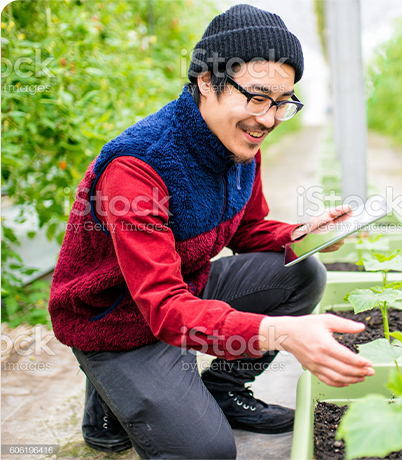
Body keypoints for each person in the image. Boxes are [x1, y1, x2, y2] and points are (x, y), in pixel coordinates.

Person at [47, 4, 374, 458]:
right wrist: (279, 333)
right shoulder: (138, 168)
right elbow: (162, 307)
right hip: (117, 317)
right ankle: (108, 384)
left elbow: (251, 230)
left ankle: (223, 389)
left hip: (183, 285)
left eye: (283, 103)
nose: (270, 118)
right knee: (207, 451)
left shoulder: (240, 143)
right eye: (258, 97)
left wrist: (305, 233)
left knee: (303, 272)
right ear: (206, 81)